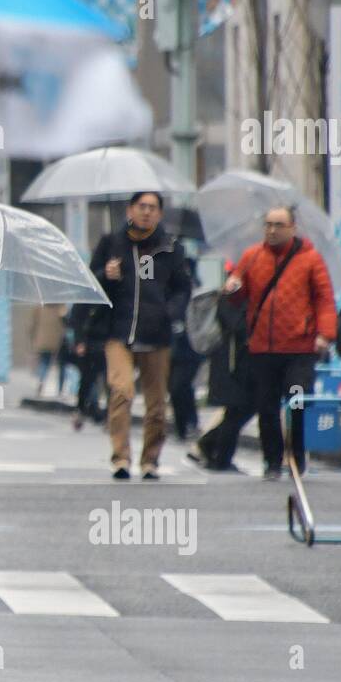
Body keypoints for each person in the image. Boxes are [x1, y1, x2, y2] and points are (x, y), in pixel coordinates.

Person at [223, 206, 337, 479]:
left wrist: (325, 334)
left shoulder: (310, 259)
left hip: (299, 347)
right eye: (268, 224)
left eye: (279, 225)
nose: (272, 230)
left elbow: (324, 299)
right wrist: (233, 288)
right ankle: (271, 461)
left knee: (297, 402)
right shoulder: (252, 257)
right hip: (262, 347)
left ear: (292, 228)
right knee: (267, 407)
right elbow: (238, 294)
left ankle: (296, 457)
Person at [89, 191, 193, 480]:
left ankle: (150, 460)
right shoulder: (111, 243)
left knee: (156, 404)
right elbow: (91, 283)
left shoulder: (170, 248)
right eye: (141, 206)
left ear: (159, 214)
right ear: (130, 210)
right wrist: (104, 275)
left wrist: (171, 312)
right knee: (122, 391)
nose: (146, 212)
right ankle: (121, 458)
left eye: (152, 208)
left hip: (157, 335)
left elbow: (183, 288)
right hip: (119, 332)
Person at [188, 261, 254, 473]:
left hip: (240, 361)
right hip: (232, 362)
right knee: (238, 409)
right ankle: (217, 456)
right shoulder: (231, 296)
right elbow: (237, 326)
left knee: (239, 410)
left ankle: (210, 447)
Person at [67, 301, 108, 431]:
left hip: (108, 342)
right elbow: (75, 319)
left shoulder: (112, 290)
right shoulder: (85, 298)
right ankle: (81, 409)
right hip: (88, 344)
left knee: (111, 382)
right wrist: (79, 341)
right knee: (87, 381)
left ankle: (110, 415)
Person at [29, 303, 68, 397]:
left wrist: (33, 339)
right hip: (57, 340)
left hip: (42, 340)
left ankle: (41, 381)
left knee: (44, 363)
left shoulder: (39, 307)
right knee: (62, 365)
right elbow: (66, 323)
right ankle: (60, 389)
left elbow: (32, 325)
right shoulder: (61, 308)